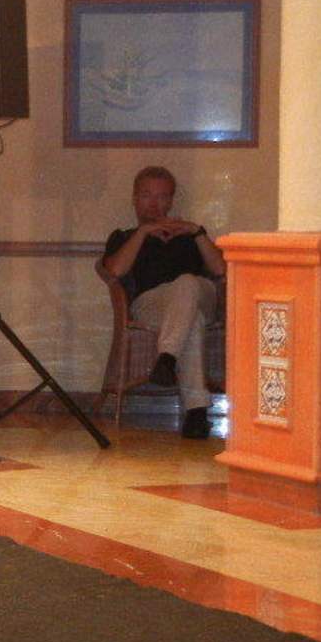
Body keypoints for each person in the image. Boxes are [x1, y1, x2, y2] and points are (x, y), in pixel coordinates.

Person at [102, 165, 226, 439]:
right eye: (146, 195)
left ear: (171, 201)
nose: (154, 203)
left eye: (162, 196)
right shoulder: (123, 236)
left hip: (200, 295)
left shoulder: (191, 236)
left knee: (187, 283)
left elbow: (220, 269)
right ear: (135, 198)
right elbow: (116, 270)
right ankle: (196, 412)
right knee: (191, 320)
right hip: (152, 306)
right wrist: (143, 232)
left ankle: (167, 356)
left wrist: (196, 231)